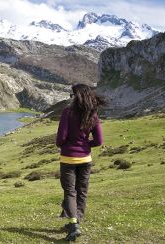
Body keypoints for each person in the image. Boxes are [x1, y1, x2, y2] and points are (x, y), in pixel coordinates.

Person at [55, 84, 106, 241]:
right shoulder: (93, 114)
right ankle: (76, 220)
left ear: (76, 97)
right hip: (85, 160)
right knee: (82, 190)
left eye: (72, 95)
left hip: (68, 159)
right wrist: (85, 145)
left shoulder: (67, 112)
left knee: (70, 191)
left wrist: (68, 146)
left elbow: (60, 140)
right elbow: (99, 141)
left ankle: (73, 223)